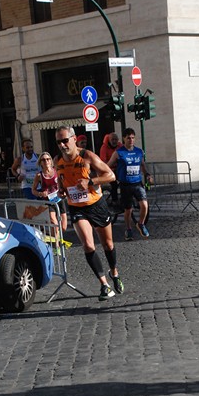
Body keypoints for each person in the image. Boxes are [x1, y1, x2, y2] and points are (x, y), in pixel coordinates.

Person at [54, 125, 124, 301]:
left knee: (108, 244)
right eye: (58, 142)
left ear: (74, 139)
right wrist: (61, 190)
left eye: (65, 140)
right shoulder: (57, 161)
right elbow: (62, 183)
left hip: (96, 205)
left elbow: (110, 176)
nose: (62, 145)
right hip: (77, 207)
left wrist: (91, 181)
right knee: (88, 245)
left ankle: (114, 272)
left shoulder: (87, 156)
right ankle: (104, 285)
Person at [107, 127, 152, 241]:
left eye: (132, 138)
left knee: (144, 205)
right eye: (128, 138)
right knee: (128, 210)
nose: (131, 140)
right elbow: (107, 165)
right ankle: (128, 229)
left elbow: (142, 165)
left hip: (137, 183)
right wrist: (107, 174)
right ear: (124, 139)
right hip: (125, 184)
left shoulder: (139, 151)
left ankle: (141, 224)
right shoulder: (118, 153)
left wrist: (147, 174)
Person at [31, 152, 68, 254]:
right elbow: (33, 190)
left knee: (63, 227)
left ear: (51, 161)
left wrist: (64, 191)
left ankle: (48, 235)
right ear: (40, 163)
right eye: (43, 160)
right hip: (49, 202)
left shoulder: (56, 171)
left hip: (60, 200)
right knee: (54, 223)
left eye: (48, 159)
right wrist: (40, 193)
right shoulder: (39, 175)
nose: (46, 161)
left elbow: (64, 183)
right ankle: (56, 247)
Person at [99, 132, 122, 204]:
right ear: (109, 140)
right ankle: (115, 201)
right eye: (112, 140)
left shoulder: (120, 146)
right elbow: (104, 162)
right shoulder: (104, 147)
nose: (114, 141)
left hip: (118, 168)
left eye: (116, 139)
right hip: (108, 169)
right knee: (114, 183)